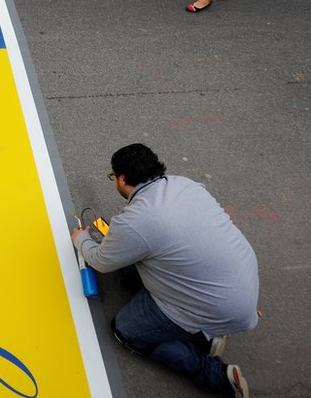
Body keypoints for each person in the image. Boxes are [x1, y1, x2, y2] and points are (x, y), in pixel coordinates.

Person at [71, 144, 258, 397]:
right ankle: (204, 333)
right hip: (238, 283)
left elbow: (100, 261)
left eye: (113, 177)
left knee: (125, 330)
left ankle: (214, 372)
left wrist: (81, 239)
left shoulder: (137, 221)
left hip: (210, 304)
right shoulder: (184, 184)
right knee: (129, 268)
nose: (114, 181)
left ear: (123, 178)